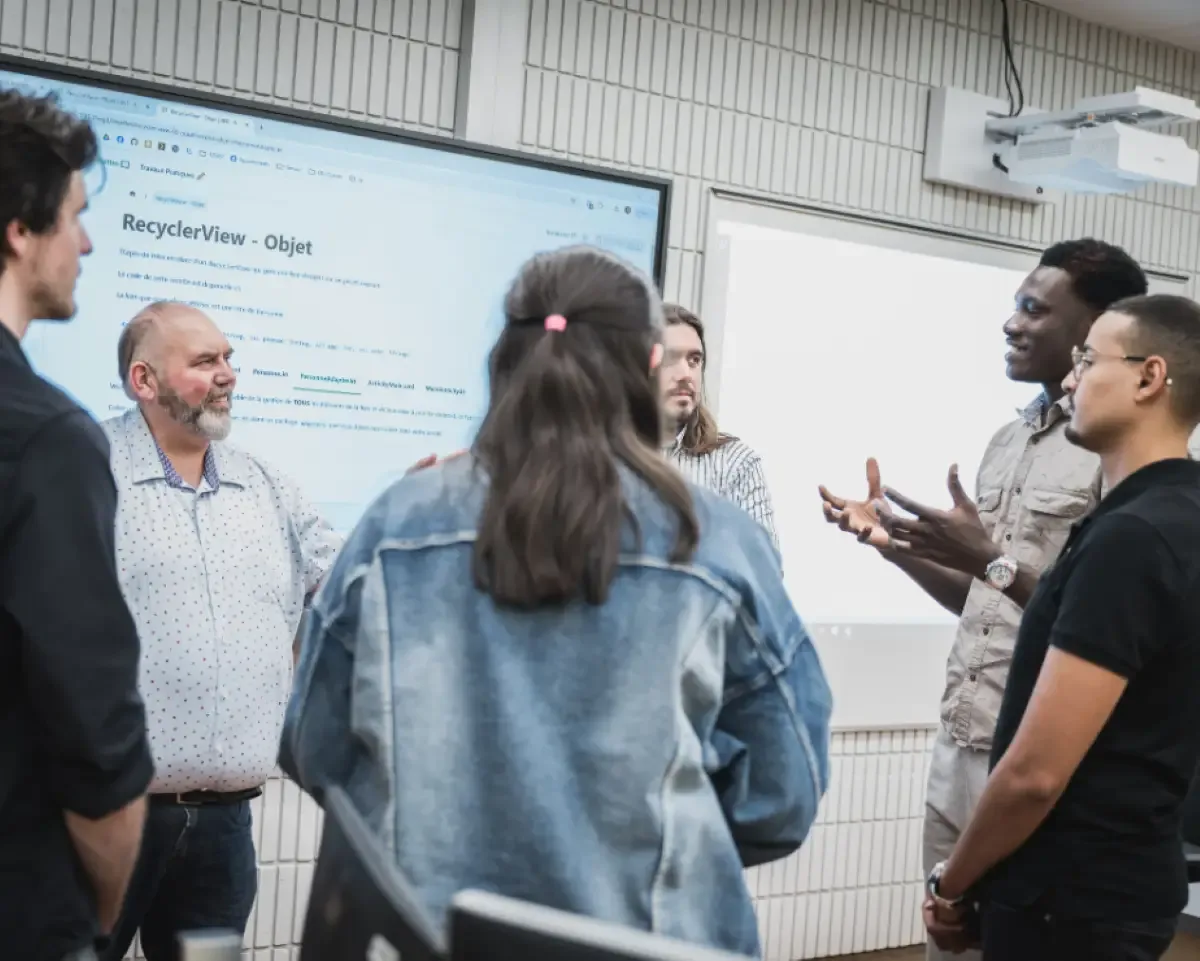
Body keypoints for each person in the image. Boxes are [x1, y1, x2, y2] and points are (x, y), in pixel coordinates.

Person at [281, 246, 832, 957]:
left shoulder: (397, 524)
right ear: (647, 369)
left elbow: (314, 745)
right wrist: (647, 834)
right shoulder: (714, 542)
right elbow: (784, 793)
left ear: (502, 361)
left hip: (428, 937)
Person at [818, 239, 1148, 961]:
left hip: (1035, 759)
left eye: (1034, 309)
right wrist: (890, 545)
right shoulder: (1008, 440)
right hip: (959, 744)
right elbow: (984, 596)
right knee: (949, 944)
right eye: (1014, 305)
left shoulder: (1116, 454)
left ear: (1093, 332)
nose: (1011, 323)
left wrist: (992, 563)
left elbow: (1085, 617)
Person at [923, 294, 1200, 961]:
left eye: (1087, 359)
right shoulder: (1178, 513)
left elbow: (1036, 772)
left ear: (1147, 377)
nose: (1071, 380)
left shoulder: (1131, 538)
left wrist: (953, 884)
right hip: (1122, 888)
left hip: (1070, 905)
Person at [100, 302, 342, 961]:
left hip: (226, 821)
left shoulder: (265, 485)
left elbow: (347, 585)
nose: (228, 374)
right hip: (106, 819)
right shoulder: (90, 470)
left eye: (229, 358)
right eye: (206, 361)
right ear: (143, 380)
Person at [0, 90, 154, 961]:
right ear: (22, 231)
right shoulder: (48, 440)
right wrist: (92, 924)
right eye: (75, 218)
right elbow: (98, 750)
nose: (86, 244)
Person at [661, 303, 779, 548]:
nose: (686, 374)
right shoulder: (600, 458)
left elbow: (763, 575)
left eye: (694, 360)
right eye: (670, 358)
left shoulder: (735, 465)